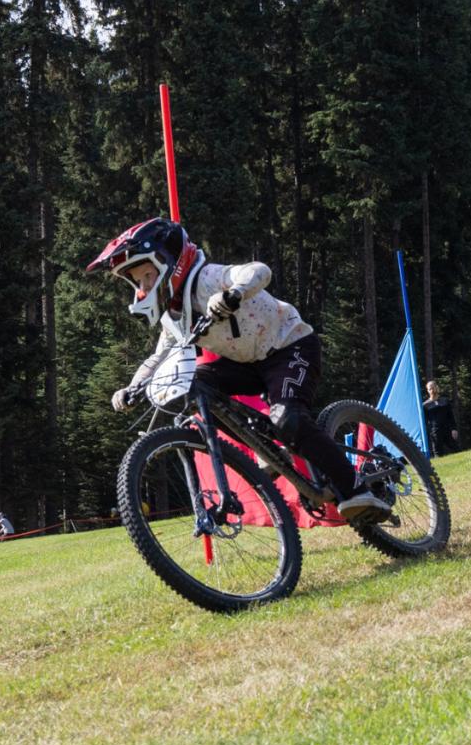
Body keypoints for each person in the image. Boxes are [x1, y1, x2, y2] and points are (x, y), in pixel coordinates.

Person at [87, 218, 392, 524]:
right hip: (248, 365)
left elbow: (258, 271)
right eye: (137, 282)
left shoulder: (206, 278)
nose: (143, 289)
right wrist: (133, 386)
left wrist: (234, 294)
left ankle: (356, 490)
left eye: (147, 276)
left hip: (290, 346)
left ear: (169, 261)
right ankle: (269, 449)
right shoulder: (173, 315)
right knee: (197, 386)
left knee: (289, 419)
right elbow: (160, 356)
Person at [423, 380, 460, 455]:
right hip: (435, 432)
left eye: (433, 387)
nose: (432, 390)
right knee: (438, 452)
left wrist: (454, 429)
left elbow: (451, 416)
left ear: (437, 387)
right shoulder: (425, 405)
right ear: (428, 391)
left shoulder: (445, 401)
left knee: (456, 449)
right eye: (430, 388)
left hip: (448, 429)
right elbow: (425, 421)